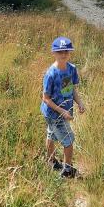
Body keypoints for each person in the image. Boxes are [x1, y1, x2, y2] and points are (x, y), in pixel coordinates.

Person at [40, 36, 86, 178]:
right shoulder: (51, 74)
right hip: (54, 114)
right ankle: (67, 171)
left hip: (64, 111)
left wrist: (80, 102)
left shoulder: (71, 69)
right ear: (54, 53)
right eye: (60, 52)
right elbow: (46, 98)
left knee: (51, 134)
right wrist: (62, 111)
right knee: (69, 140)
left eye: (66, 51)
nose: (64, 54)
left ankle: (51, 161)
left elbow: (70, 89)